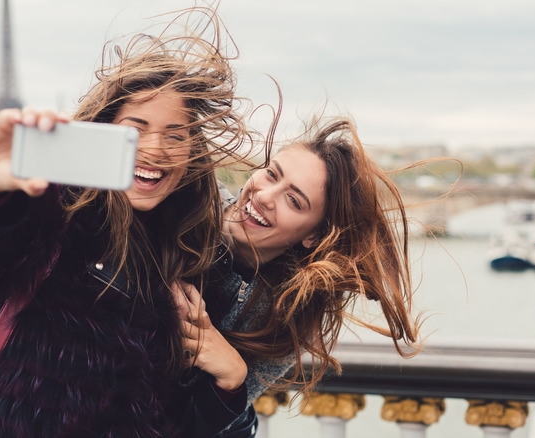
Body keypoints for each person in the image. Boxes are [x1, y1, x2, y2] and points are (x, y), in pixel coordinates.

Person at [0, 9, 263, 438]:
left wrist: (231, 379)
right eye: (137, 128)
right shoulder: (56, 208)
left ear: (192, 152)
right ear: (106, 129)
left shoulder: (188, 252)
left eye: (175, 135)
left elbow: (166, 421)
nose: (155, 148)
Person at [172, 116, 423, 417]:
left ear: (314, 235)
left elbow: (200, 424)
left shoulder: (288, 313)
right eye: (271, 174)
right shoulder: (185, 194)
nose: (264, 196)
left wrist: (234, 377)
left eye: (293, 200)